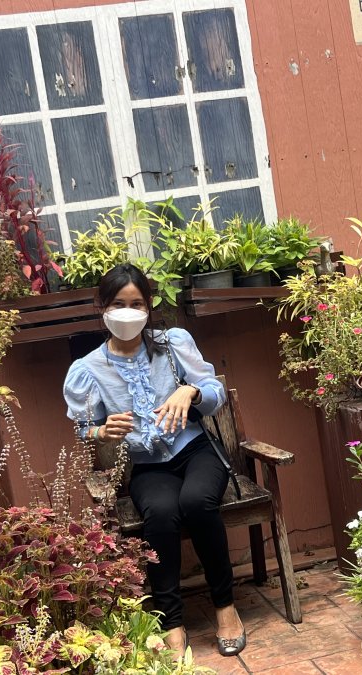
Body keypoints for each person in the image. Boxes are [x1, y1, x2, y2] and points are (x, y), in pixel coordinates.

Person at [63, 263, 246, 658]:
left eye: (137, 304)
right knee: (160, 515)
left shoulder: (172, 344)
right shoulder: (88, 369)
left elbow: (216, 392)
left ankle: (225, 606)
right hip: (147, 466)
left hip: (196, 451)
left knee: (197, 502)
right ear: (102, 307)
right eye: (118, 304)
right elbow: (83, 428)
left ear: (148, 307)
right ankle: (172, 621)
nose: (128, 312)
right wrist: (101, 432)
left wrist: (192, 392)